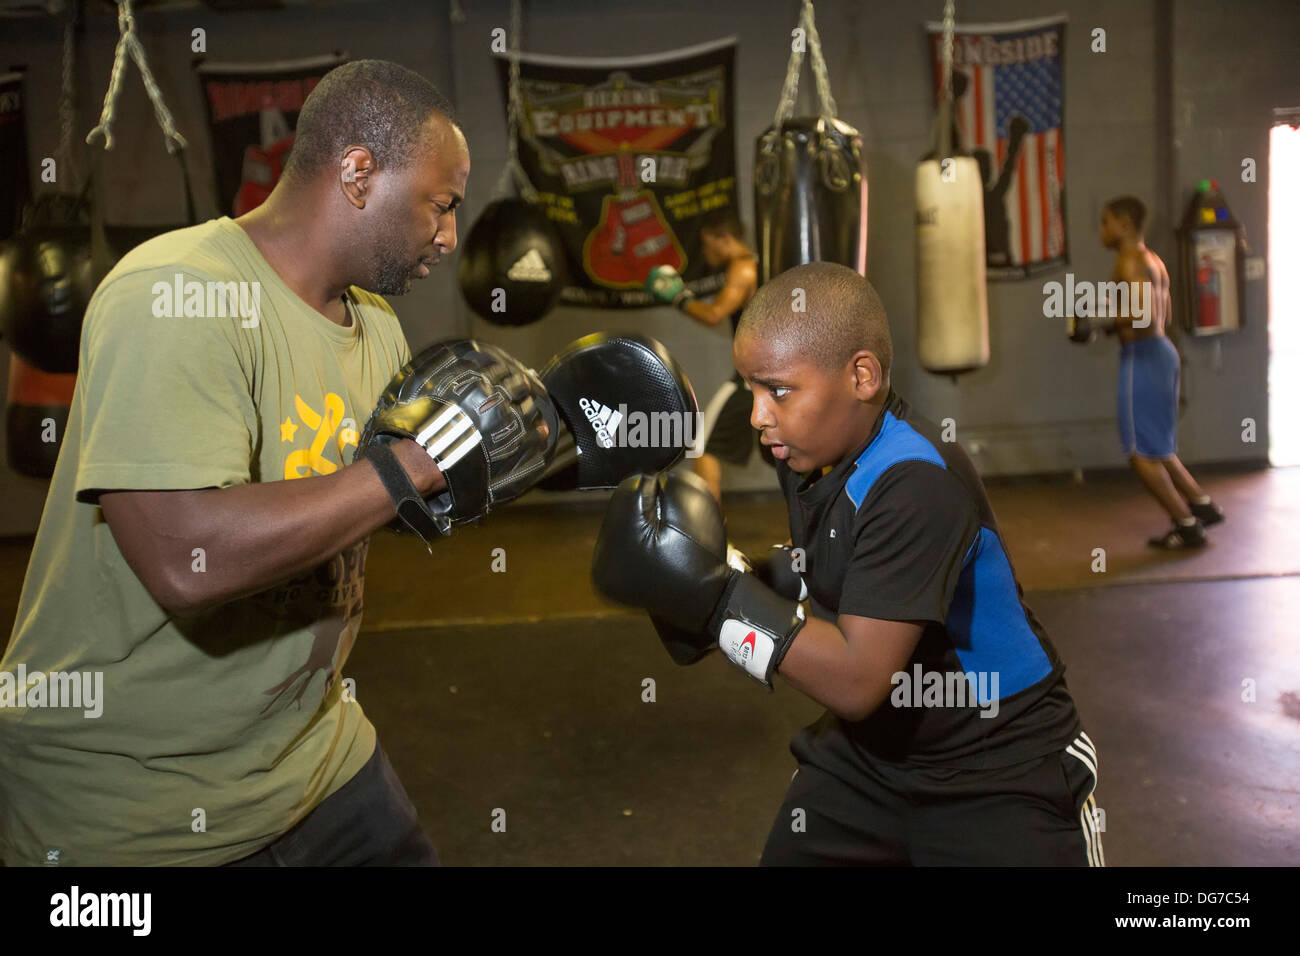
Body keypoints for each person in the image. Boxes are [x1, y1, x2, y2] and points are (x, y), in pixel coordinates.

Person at [0, 59, 516, 866]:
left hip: (318, 757)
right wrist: (412, 464)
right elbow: (184, 558)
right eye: (440, 206)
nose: (450, 237)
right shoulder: (174, 295)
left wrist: (568, 436)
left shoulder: (375, 325)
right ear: (357, 173)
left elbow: (391, 503)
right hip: (132, 804)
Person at [595, 261, 1104, 865]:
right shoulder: (808, 454)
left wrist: (721, 600)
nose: (758, 414)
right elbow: (831, 568)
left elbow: (859, 680)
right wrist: (721, 584)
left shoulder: (915, 482)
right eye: (750, 388)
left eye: (777, 389)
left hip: (1000, 768)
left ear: (861, 376)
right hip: (870, 759)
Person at [1098, 196, 1224, 549]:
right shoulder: (1152, 259)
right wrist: (1110, 325)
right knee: (1159, 444)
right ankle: (1201, 504)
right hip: (1161, 354)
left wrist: (1101, 322)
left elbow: (1146, 319)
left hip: (1144, 358)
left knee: (1140, 452)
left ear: (1124, 225)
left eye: (1105, 222)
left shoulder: (1130, 260)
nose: (1101, 231)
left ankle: (1186, 525)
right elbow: (1158, 316)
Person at [645, 206, 762, 506]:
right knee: (788, 456)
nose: (705, 252)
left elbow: (714, 314)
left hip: (753, 378)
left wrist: (678, 297)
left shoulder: (743, 267)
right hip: (764, 373)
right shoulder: (753, 265)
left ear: (723, 238)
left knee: (701, 444)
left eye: (707, 243)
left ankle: (709, 532)